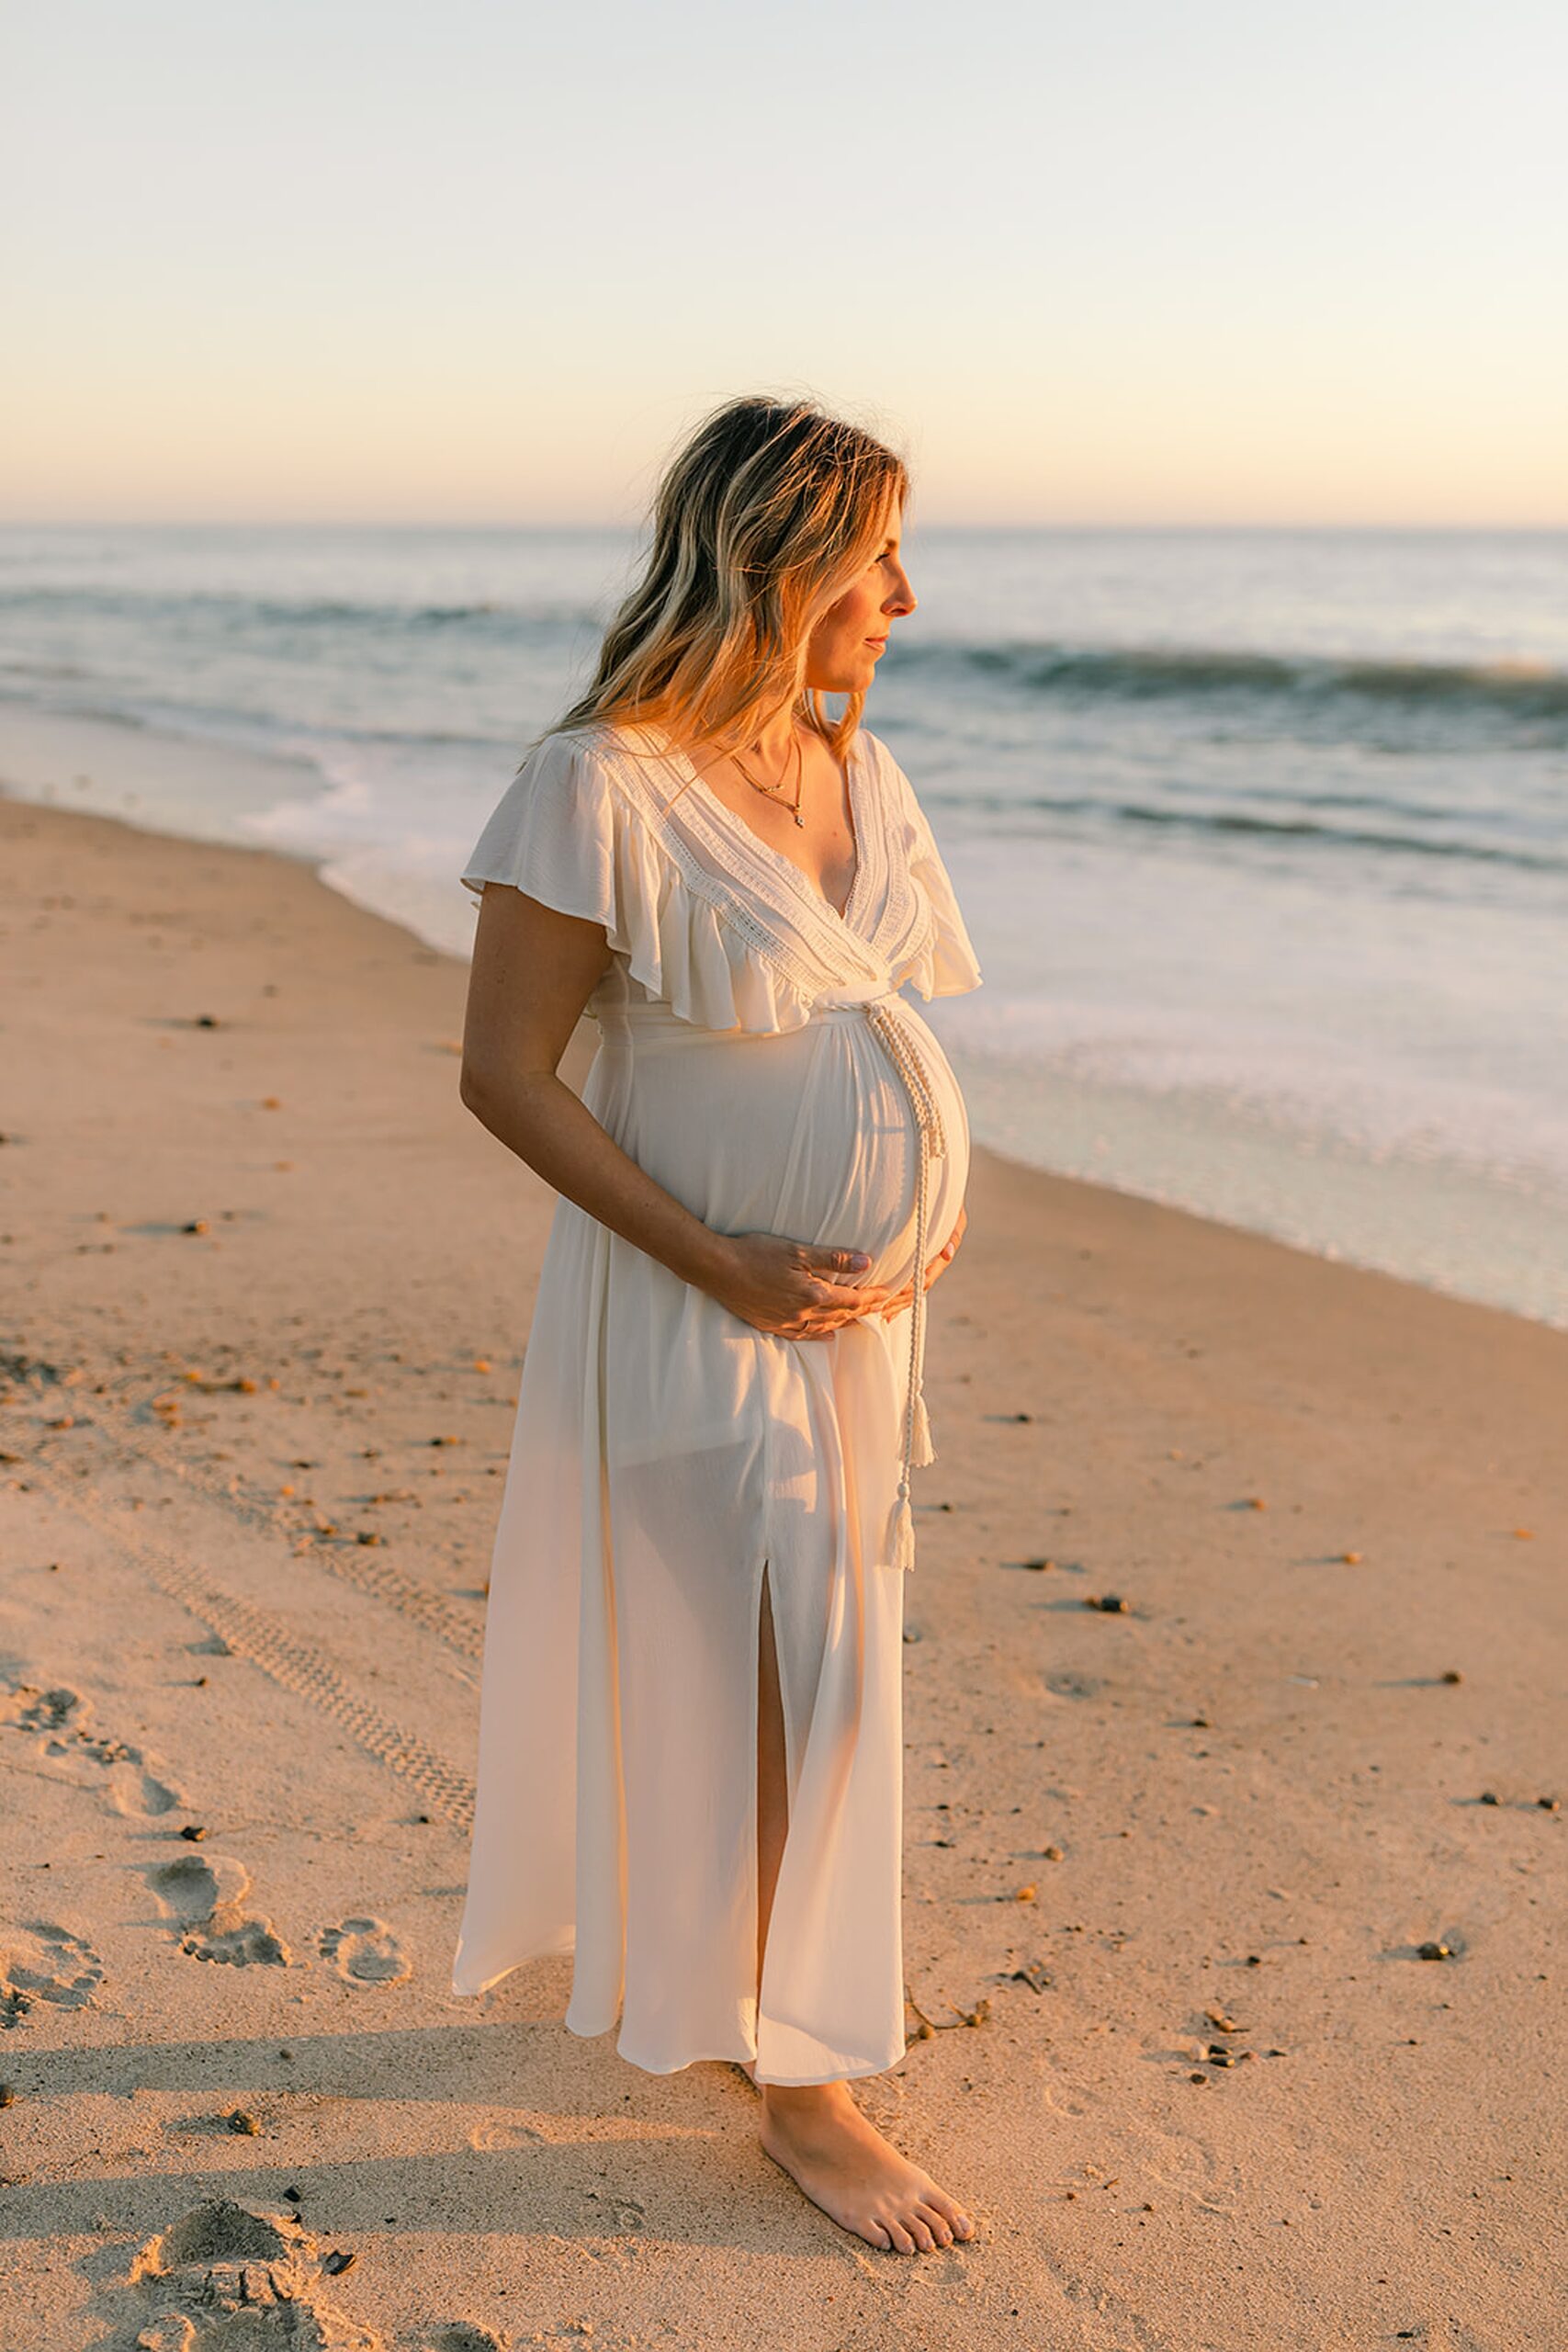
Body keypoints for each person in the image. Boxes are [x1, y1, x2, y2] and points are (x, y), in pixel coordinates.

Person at [452, 393, 983, 2255]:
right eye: (874, 561)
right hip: (696, 1301)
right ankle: (805, 2086)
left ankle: (764, 2003)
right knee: (791, 1672)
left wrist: (889, 1223)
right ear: (774, 565)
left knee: (810, 1662)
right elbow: (505, 1075)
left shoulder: (855, 770)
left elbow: (863, 1024)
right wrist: (721, 1260)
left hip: (847, 1322)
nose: (903, 597)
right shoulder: (593, 780)